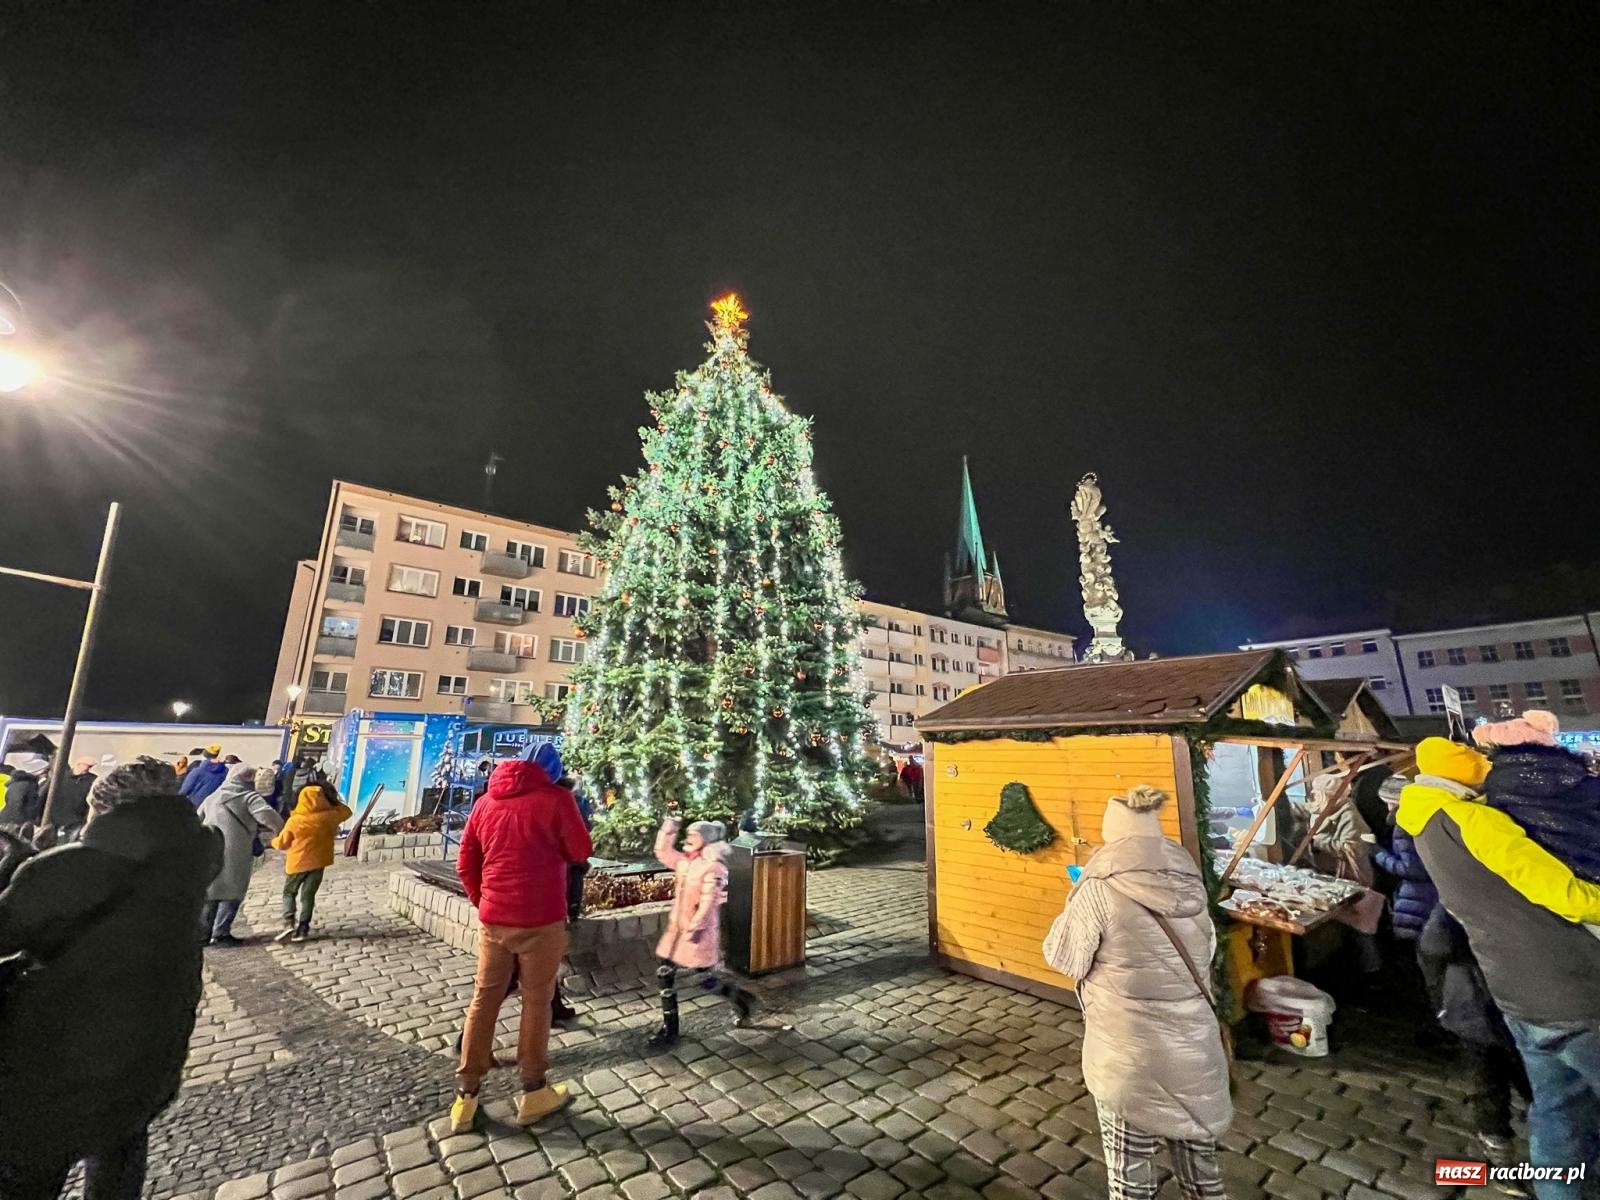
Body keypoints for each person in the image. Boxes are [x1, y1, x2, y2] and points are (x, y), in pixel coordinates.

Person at [0, 756, 221, 1200]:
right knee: (121, 1139)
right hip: (152, 1034)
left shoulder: (66, 870)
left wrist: (18, 868)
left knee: (29, 1167)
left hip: (58, 1054)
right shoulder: (193, 853)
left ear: (105, 805)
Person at [1399, 736, 1600, 1200]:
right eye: (1474, 759)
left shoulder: (1423, 822)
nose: (1483, 764)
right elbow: (1563, 894)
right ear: (1456, 769)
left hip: (1512, 991)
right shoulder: (1474, 821)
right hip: (1573, 986)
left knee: (1556, 1110)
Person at [1048, 785, 1230, 1200]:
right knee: (1203, 1178)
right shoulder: (1191, 884)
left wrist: (1072, 900)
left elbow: (1065, 958)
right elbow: (1207, 954)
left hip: (1128, 1055)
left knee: (1131, 1181)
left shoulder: (1097, 888)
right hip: (1194, 1051)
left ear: (1113, 834)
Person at [451, 749, 591, 1133]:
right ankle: (533, 1091)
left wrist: (485, 901)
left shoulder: (485, 801)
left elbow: (466, 861)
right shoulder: (558, 799)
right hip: (541, 918)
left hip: (495, 919)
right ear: (553, 771)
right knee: (537, 1001)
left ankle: (466, 1095)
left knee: (484, 997)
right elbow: (580, 850)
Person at [648, 816, 753, 1049]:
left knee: (704, 980)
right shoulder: (685, 862)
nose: (688, 839)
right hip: (677, 933)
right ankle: (670, 1029)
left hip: (698, 934)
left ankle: (740, 998)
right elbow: (663, 852)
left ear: (704, 841)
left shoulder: (713, 867)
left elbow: (709, 901)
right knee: (665, 976)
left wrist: (694, 928)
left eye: (693, 836)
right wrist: (670, 827)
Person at [197, 763, 284, 946]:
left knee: (211, 890)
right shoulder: (249, 797)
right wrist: (279, 830)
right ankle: (221, 933)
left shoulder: (213, 797)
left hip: (211, 846)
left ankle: (202, 935)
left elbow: (198, 817)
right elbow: (269, 817)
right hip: (236, 850)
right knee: (233, 890)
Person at [270, 780, 352, 944]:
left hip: (297, 864)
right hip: (319, 862)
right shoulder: (330, 817)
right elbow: (346, 811)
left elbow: (282, 843)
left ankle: (288, 921)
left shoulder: (295, 821)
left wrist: (272, 841)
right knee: (308, 896)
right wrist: (331, 802)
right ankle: (303, 927)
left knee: (289, 892)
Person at [0, 751, 50, 836]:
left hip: (4, 819)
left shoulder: (14, 783)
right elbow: (23, 804)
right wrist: (27, 820)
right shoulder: (29, 785)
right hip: (16, 822)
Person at [50, 758, 98, 842]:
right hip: (57, 819)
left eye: (90, 767)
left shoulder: (92, 780)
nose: (87, 769)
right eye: (85, 766)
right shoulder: (61, 778)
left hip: (77, 821)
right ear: (78, 765)